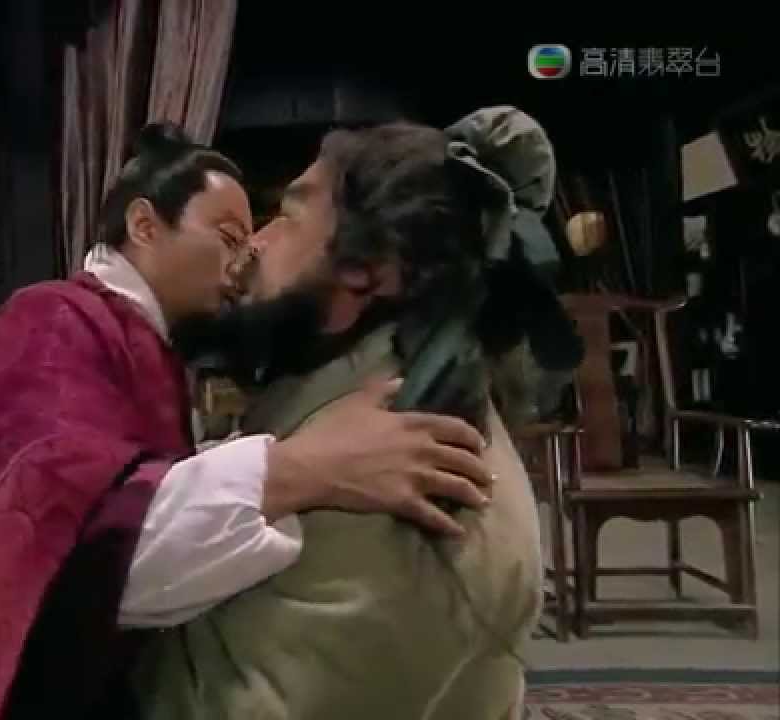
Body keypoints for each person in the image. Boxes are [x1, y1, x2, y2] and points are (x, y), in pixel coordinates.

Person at [0, 123, 497, 720]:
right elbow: (50, 545)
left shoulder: (142, 342)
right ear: (145, 225)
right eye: (228, 237)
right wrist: (301, 469)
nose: (245, 259)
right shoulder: (49, 325)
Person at [130, 108, 567, 720]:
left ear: (369, 269)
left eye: (288, 218)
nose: (255, 244)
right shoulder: (364, 403)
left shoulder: (399, 485)